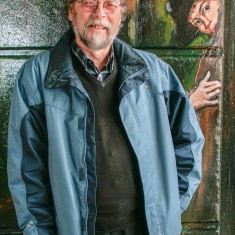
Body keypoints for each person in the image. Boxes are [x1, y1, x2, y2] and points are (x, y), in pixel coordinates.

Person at [7, 0, 204, 234]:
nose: (100, 14)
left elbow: (189, 143)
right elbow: (27, 171)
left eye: (110, 4)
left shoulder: (156, 73)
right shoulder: (37, 76)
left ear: (121, 14)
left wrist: (169, 207)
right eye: (89, 3)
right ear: (72, 10)